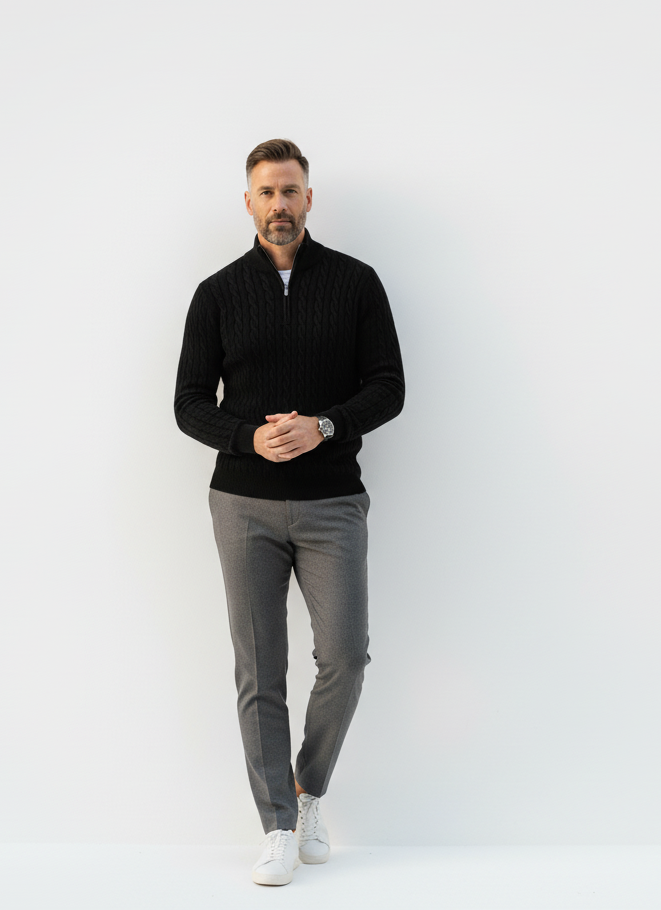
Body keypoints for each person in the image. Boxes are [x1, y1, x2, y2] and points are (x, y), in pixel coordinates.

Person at [174, 139, 405, 886]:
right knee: (259, 668)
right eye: (267, 192)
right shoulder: (216, 293)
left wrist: (325, 426)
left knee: (345, 657)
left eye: (291, 191)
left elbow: (389, 386)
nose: (280, 205)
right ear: (249, 202)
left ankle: (308, 791)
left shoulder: (355, 283)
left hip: (332, 502)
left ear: (310, 199)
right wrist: (249, 437)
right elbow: (188, 403)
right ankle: (276, 824)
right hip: (243, 505)